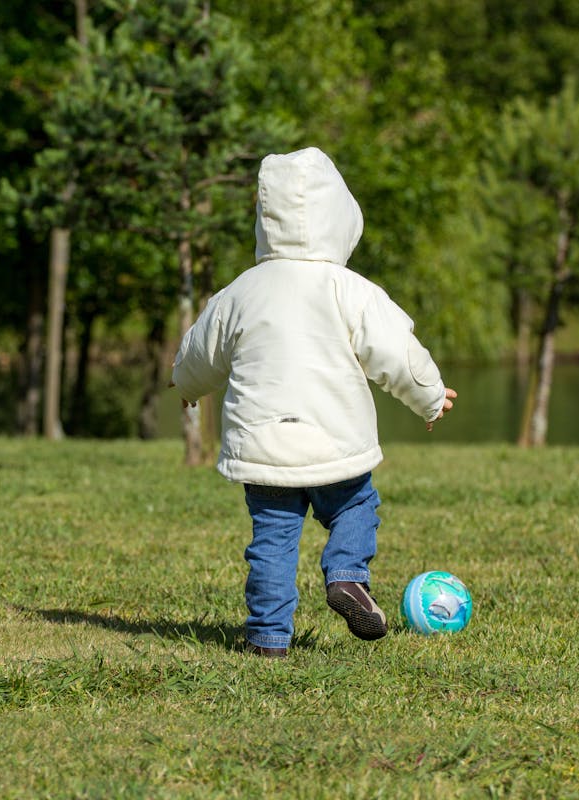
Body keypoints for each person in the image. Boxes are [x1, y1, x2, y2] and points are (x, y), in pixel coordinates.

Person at [170, 147, 457, 658]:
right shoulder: (350, 290)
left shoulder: (241, 292)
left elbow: (200, 349)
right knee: (356, 505)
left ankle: (267, 639)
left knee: (273, 544)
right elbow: (396, 351)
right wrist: (431, 396)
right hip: (334, 441)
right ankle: (347, 576)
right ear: (340, 218)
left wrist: (187, 385)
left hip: (265, 448)